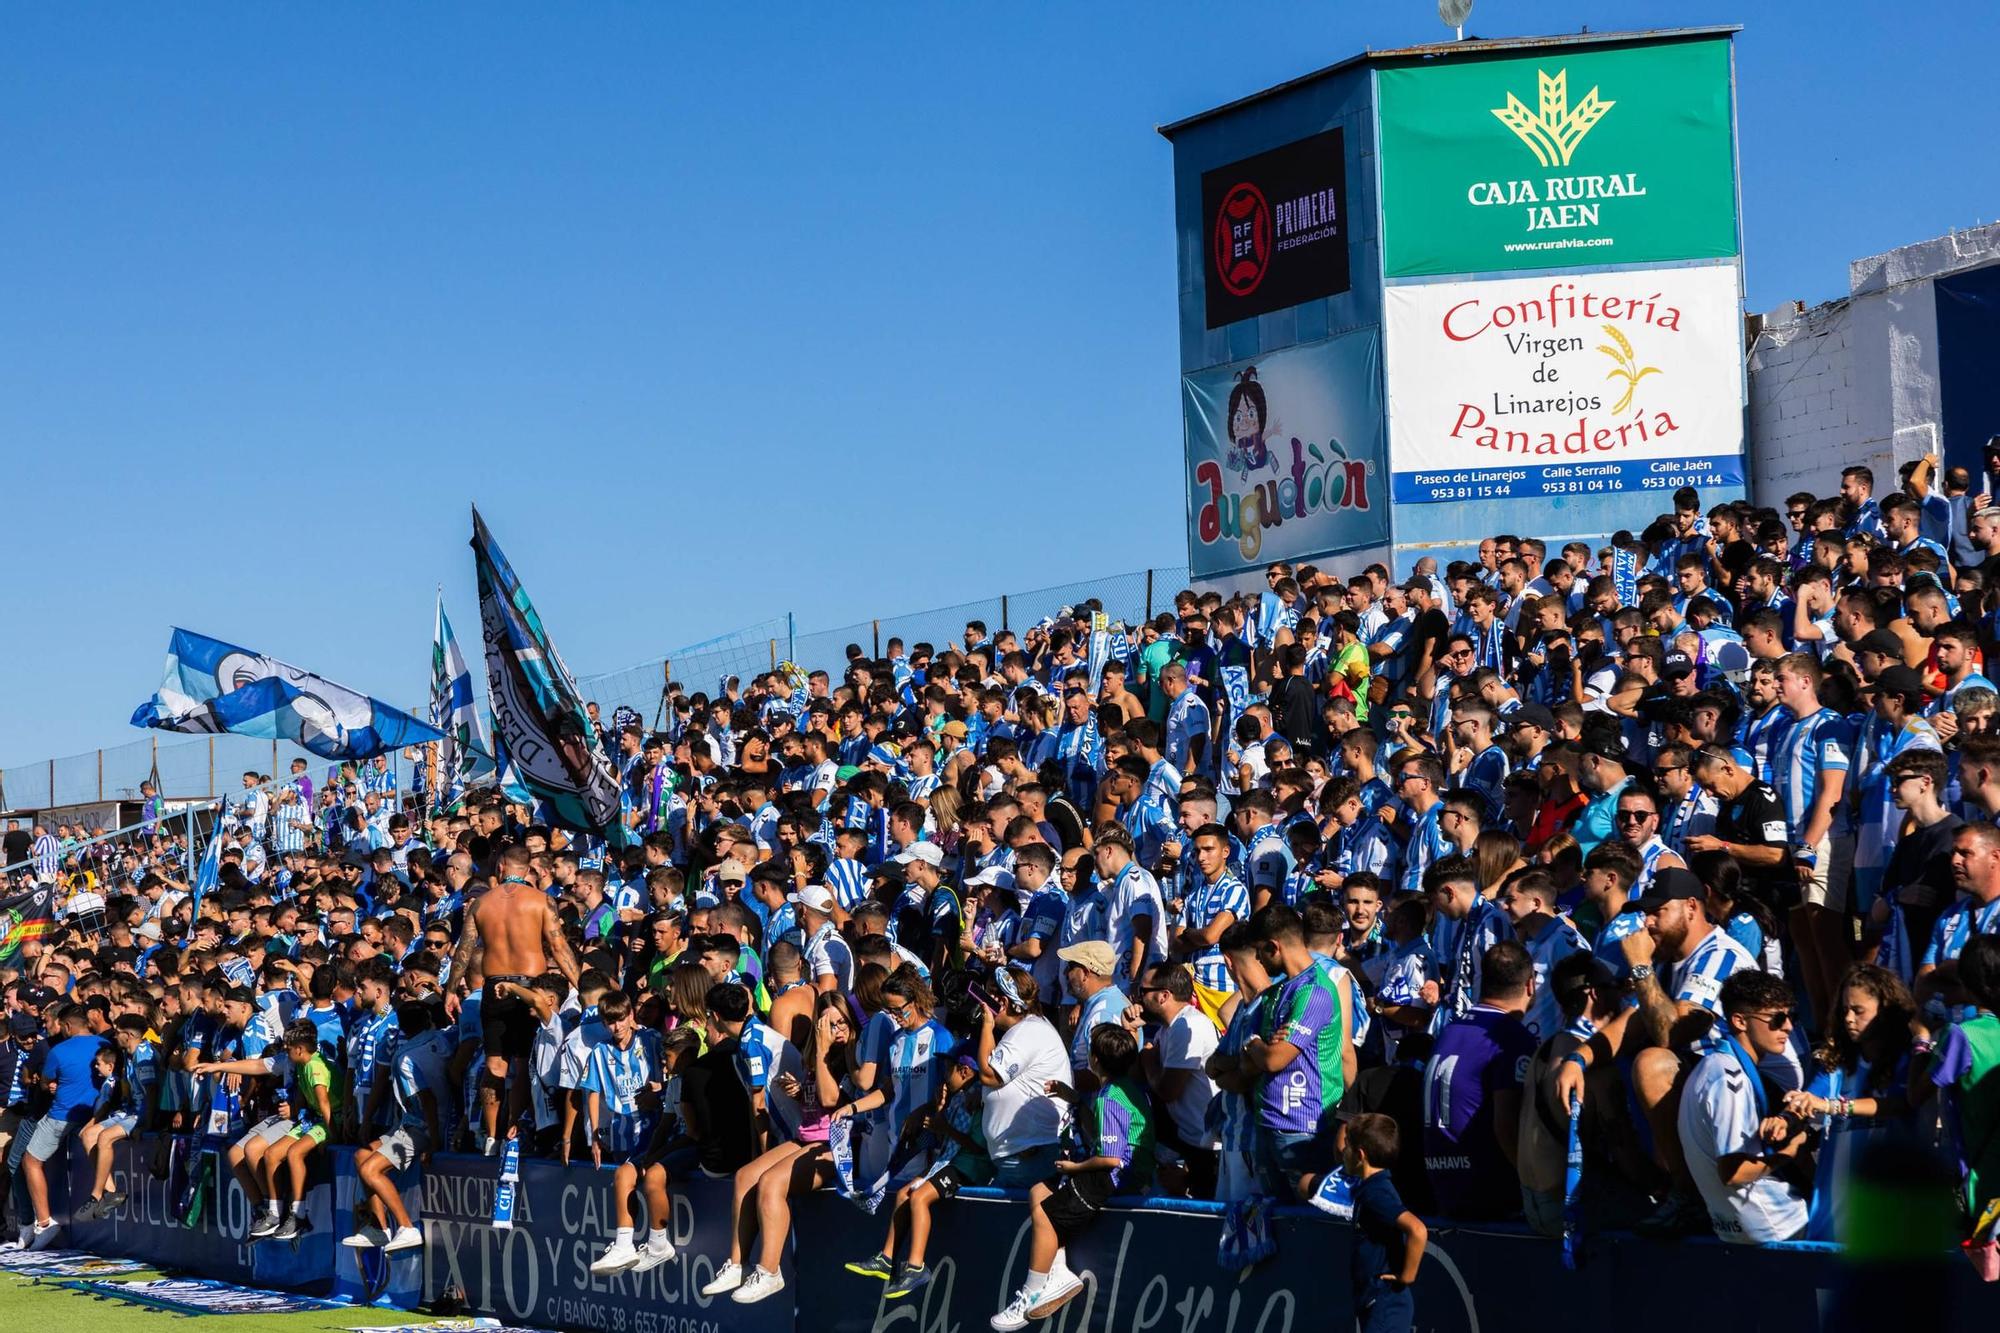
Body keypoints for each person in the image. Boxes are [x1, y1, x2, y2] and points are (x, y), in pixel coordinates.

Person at [990, 1024, 1153, 1330]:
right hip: (1114, 1170)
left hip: (1116, 1178)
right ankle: (1058, 1269)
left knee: (1047, 1214)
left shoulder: (1110, 1098)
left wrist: (1074, 1169)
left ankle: (1032, 1291)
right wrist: (1076, 1100)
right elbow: (1102, 1136)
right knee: (1039, 1191)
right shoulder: (1122, 1088)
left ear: (1094, 1060)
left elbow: (1111, 1159)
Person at [1677, 970, 1813, 1244]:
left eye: (1790, 1018)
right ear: (1739, 1021)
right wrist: (1789, 1151)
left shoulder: (1714, 1066)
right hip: (1776, 1223)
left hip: (1735, 1227)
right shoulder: (1730, 1078)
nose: (1787, 1027)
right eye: (1776, 1018)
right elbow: (1734, 1171)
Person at [1421, 942, 1536, 1220]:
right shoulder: (1511, 1036)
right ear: (1531, 985)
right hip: (1491, 1188)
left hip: (1442, 1177)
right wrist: (1534, 1186)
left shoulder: (1452, 1029)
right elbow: (1506, 1122)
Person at [1344, 1112, 1428, 1333]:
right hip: (1373, 1301)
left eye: (1346, 1146)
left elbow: (1417, 1230)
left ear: (1360, 1155)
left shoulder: (1377, 1193)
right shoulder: (1370, 1189)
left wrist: (1407, 1275)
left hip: (1385, 1302)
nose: (1343, 1152)